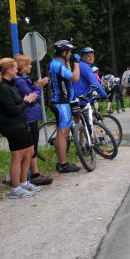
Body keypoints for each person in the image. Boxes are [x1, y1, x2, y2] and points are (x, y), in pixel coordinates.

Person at [0, 58, 42, 198]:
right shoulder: (2, 88)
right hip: (12, 125)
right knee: (17, 157)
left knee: (29, 152)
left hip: (21, 123)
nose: (16, 70)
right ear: (8, 70)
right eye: (14, 67)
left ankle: (24, 183)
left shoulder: (11, 85)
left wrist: (28, 99)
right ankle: (16, 189)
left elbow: (20, 103)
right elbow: (12, 109)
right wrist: (26, 101)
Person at [12, 55, 52, 186]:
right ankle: (34, 175)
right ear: (22, 67)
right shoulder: (20, 81)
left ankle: (32, 174)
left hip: (30, 117)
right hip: (28, 117)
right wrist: (39, 86)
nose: (30, 66)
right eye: (28, 64)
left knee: (31, 147)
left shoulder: (23, 80)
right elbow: (32, 97)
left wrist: (36, 86)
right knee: (31, 148)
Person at [49, 39, 81, 173]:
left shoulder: (58, 63)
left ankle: (62, 162)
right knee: (63, 133)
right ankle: (63, 164)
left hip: (62, 102)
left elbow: (67, 75)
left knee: (63, 133)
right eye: (69, 52)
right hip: (61, 103)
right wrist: (77, 63)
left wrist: (68, 61)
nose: (71, 54)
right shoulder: (56, 65)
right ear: (63, 52)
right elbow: (74, 78)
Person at [74, 47, 108, 112]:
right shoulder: (84, 66)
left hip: (82, 96)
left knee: (89, 119)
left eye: (92, 56)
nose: (91, 58)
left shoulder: (83, 65)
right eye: (88, 56)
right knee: (89, 120)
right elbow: (94, 82)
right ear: (83, 57)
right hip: (82, 97)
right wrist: (103, 94)